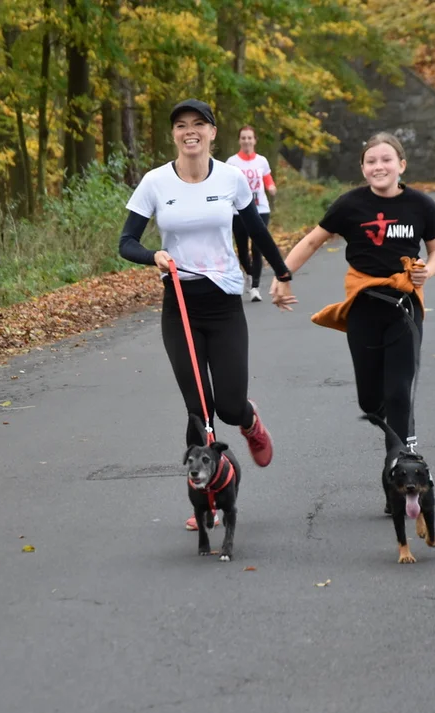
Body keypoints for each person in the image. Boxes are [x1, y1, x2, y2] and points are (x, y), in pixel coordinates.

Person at [117, 99, 296, 531]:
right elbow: (126, 242)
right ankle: (205, 501)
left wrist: (283, 273)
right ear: (174, 134)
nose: (190, 131)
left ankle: (250, 422)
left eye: (199, 124)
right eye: (181, 125)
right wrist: (152, 255)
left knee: (229, 406)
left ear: (213, 133)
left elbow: (256, 230)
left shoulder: (233, 178)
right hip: (179, 304)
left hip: (224, 302)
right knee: (198, 410)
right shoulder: (155, 182)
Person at [270, 132, 435, 511]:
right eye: (371, 161)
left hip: (404, 307)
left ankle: (399, 470)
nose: (378, 167)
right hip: (364, 309)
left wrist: (426, 273)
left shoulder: (421, 205)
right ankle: (393, 441)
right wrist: (283, 276)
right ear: (363, 168)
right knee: (371, 401)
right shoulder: (350, 205)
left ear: (401, 165)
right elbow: (312, 241)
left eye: (386, 160)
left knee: (399, 392)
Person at [227, 126, 278, 302]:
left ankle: (255, 286)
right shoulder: (232, 162)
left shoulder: (262, 161)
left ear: (255, 140)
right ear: (239, 140)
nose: (247, 141)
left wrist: (271, 188)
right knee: (242, 249)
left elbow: (268, 180)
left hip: (260, 209)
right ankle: (248, 274)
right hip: (238, 212)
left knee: (258, 247)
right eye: (243, 138)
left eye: (250, 138)